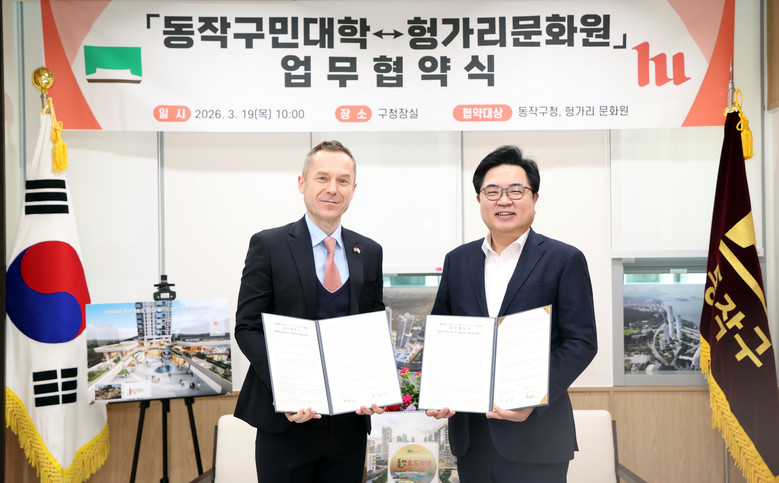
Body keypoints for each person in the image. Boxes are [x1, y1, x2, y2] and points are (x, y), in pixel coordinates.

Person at [425, 145, 598, 482]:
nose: (503, 201)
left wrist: (532, 399)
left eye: (516, 191)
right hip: (471, 436)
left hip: (537, 436)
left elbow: (580, 343)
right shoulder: (457, 260)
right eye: (492, 191)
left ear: (534, 198)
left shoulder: (564, 259)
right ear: (479, 199)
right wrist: (439, 392)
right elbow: (442, 334)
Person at [234, 140, 385, 482]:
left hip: (349, 422)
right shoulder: (269, 245)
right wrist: (287, 390)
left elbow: (372, 327)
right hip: (286, 420)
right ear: (302, 183)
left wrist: (374, 385)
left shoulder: (369, 251)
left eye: (343, 181)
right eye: (322, 178)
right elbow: (247, 327)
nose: (333, 189)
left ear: (353, 189)